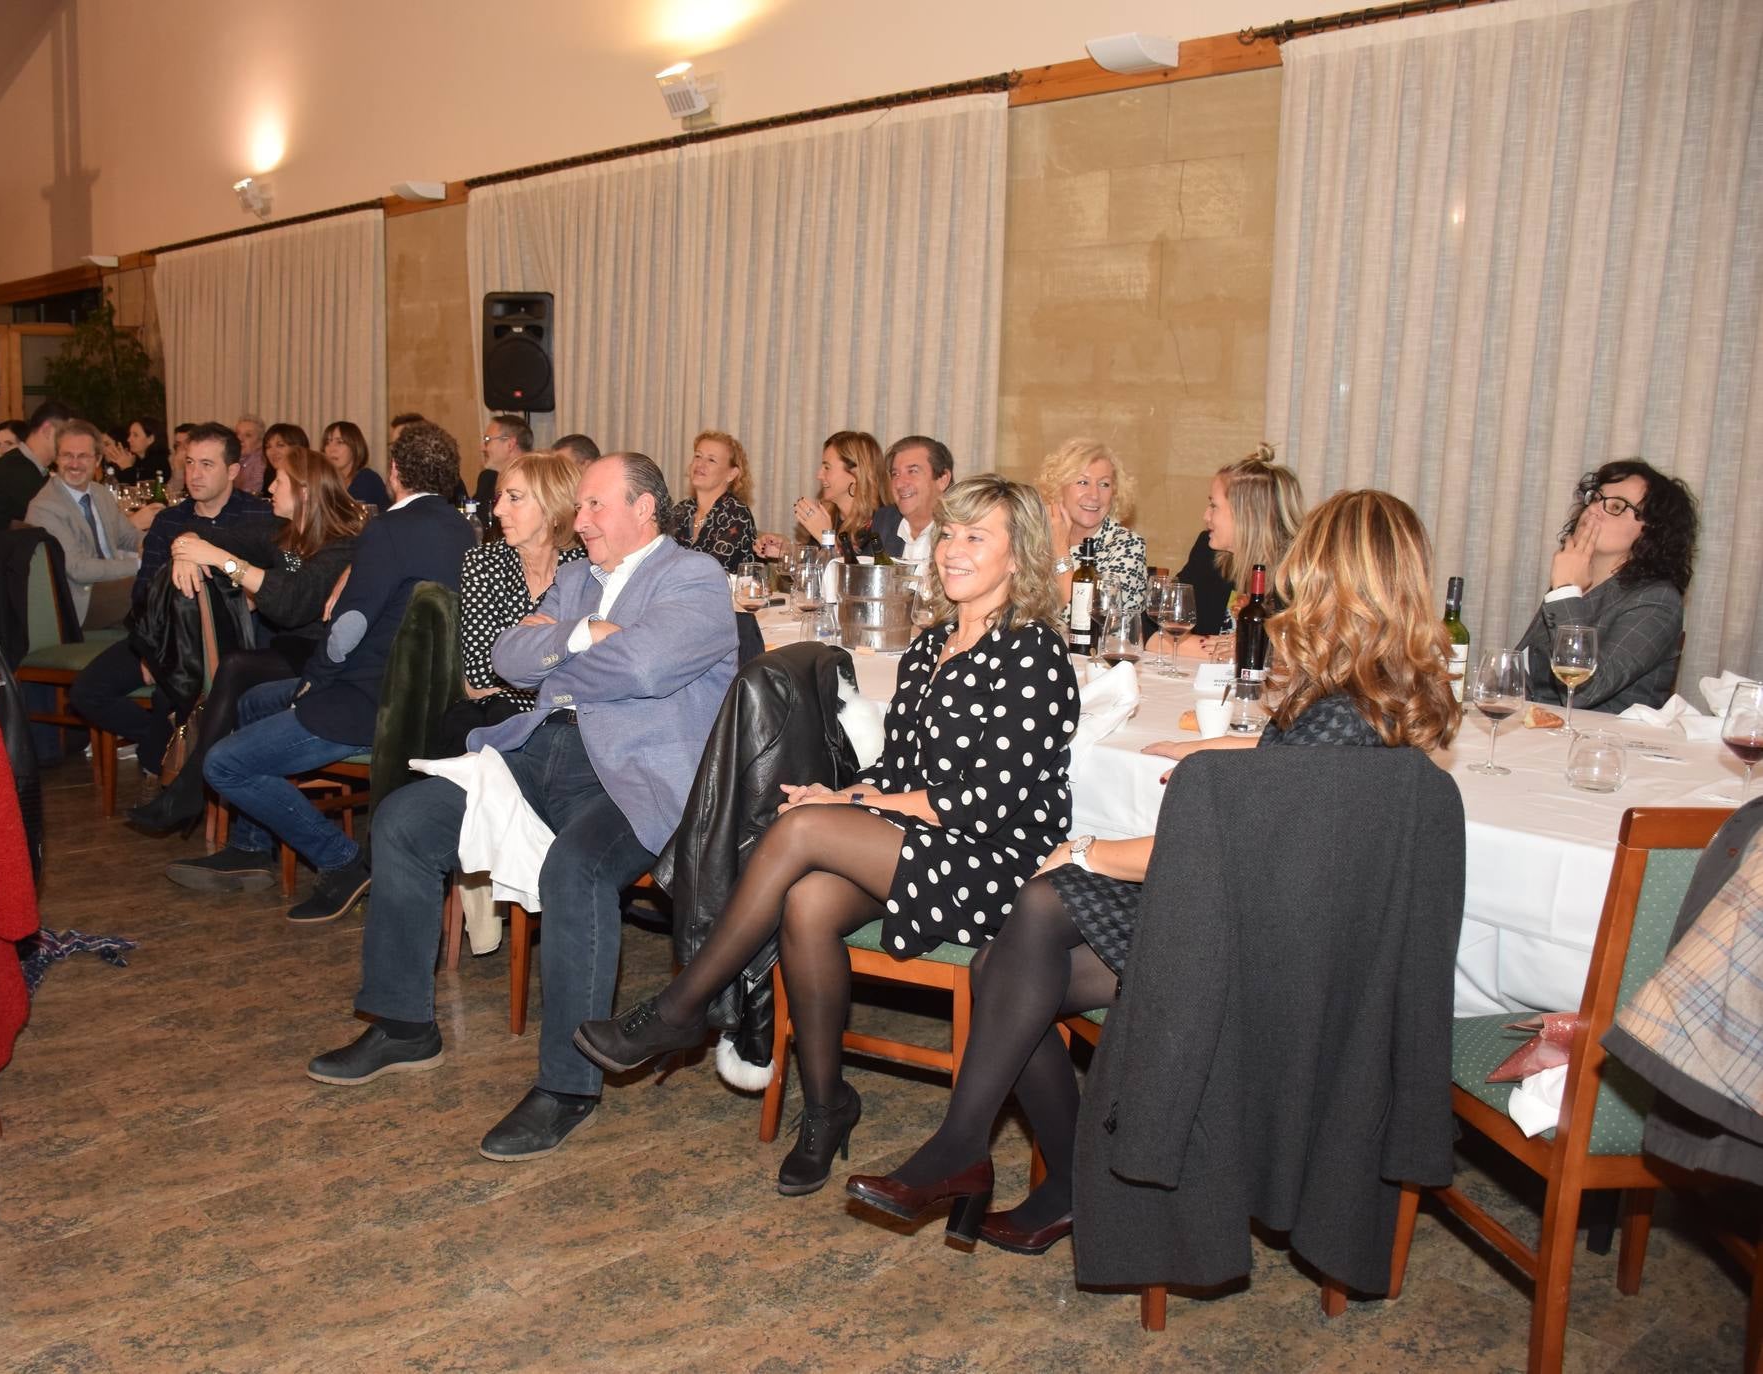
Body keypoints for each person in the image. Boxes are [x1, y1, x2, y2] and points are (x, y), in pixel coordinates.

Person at [843, 488, 1461, 1253]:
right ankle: (1027, 1172)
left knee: (1034, 917)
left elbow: (1227, 835)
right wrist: (1217, 750)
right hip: (1306, 931)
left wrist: (1086, 851)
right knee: (1012, 966)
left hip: (1257, 946)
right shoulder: (1377, 689)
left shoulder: (1335, 697)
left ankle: (973, 1155)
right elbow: (1306, 769)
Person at [576, 475, 1080, 1193]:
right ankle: (826, 1105)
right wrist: (844, 795)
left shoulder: (1032, 655)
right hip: (930, 842)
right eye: (950, 534)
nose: (953, 550)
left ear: (1018, 555)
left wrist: (850, 814)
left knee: (806, 832)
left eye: (976, 537)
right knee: (809, 898)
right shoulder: (933, 641)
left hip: (997, 865)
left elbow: (991, 801)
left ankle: (681, 1007)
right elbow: (899, 766)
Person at [306, 452, 740, 1164]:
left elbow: (644, 667)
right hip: (538, 749)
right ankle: (402, 1024)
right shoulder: (577, 579)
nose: (581, 519)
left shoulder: (691, 578)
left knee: (575, 871)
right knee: (404, 823)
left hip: (632, 775)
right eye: (581, 507)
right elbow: (509, 659)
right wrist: (579, 635)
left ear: (644, 510)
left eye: (597, 506)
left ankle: (569, 1085)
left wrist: (562, 649)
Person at [170, 420, 472, 921]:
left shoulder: (389, 529)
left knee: (223, 764)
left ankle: (343, 859)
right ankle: (250, 849)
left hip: (365, 702)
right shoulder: (464, 530)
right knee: (252, 700)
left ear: (395, 471)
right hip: (422, 699)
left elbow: (349, 626)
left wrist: (315, 680)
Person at [125, 447, 369, 837]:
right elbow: (205, 532)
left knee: (237, 666)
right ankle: (199, 790)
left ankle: (192, 786)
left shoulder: (341, 544)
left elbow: (291, 605)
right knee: (236, 670)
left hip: (326, 660)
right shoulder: (281, 532)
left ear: (304, 491)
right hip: (289, 650)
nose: (269, 487)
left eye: (280, 480)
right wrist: (189, 550)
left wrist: (223, 561)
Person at [69, 423, 273, 781]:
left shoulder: (258, 518)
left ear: (233, 471)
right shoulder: (169, 520)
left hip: (228, 645)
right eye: (190, 462)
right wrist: (152, 651)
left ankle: (168, 759)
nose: (194, 474)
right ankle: (159, 740)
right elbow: (144, 592)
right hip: (163, 636)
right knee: (87, 691)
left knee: (176, 692)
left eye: (207, 465)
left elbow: (281, 581)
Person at [1517, 458, 1696, 713]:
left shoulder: (1657, 600)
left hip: (1607, 746)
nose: (1593, 509)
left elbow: (1583, 691)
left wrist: (1566, 589)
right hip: (1542, 734)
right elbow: (1529, 671)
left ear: (1652, 530)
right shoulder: (1574, 580)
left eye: (1615, 506)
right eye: (1595, 497)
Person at [445, 450, 584, 747]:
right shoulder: (482, 562)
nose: (498, 511)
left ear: (551, 504)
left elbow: (590, 671)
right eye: (499, 498)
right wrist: (554, 643)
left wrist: (523, 651)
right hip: (501, 720)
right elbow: (483, 673)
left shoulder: (584, 568)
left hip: (565, 725)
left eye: (514, 498)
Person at [1153, 447, 1303, 658]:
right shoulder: (1207, 553)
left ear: (1246, 515)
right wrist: (1227, 651)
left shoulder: (1298, 571)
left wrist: (1252, 651)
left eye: (1214, 506)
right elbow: (1154, 626)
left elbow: (1301, 652)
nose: (1206, 515)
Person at [23, 420, 148, 623]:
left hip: (113, 584)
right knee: (155, 587)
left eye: (83, 456)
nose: (74, 464)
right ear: (56, 458)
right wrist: (142, 564)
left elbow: (127, 536)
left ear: (97, 460)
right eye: (67, 455)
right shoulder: (45, 507)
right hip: (79, 601)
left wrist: (155, 544)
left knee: (169, 582)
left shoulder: (100, 493)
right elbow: (78, 569)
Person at [1038, 437, 1146, 613]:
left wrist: (1060, 550)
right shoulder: (1035, 538)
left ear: (1115, 493)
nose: (1094, 495)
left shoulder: (1127, 546)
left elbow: (1085, 621)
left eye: (1104, 484)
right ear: (1058, 488)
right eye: (1083, 482)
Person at [756, 430, 889, 560]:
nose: (819, 475)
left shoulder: (882, 524)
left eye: (827, 468)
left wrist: (825, 537)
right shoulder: (830, 515)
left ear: (855, 474)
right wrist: (788, 551)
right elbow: (817, 572)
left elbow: (857, 578)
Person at [0, 399, 73, 535]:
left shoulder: (31, 467)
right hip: (11, 551)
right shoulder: (13, 468)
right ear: (48, 430)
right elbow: (56, 518)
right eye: (69, 435)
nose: (73, 443)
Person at [666, 430, 757, 571]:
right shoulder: (682, 509)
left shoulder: (736, 514)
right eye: (698, 456)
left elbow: (709, 571)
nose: (700, 464)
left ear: (731, 474)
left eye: (711, 460)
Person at [874, 435, 954, 567]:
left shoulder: (959, 530)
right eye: (895, 474)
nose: (899, 484)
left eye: (912, 471)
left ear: (942, 480)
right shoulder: (884, 522)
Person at [322, 420, 391, 508]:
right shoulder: (325, 482)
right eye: (327, 443)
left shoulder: (367, 480)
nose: (331, 449)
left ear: (354, 446)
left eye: (339, 442)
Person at [473, 413, 533, 513]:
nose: (482, 448)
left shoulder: (535, 482)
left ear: (510, 444)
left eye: (487, 440)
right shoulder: (487, 478)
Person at [122, 415, 170, 484]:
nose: (129, 440)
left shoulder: (159, 464)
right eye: (130, 434)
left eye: (135, 435)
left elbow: (144, 490)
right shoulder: (136, 460)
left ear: (150, 439)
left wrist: (127, 468)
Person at [233, 412, 268, 496]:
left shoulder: (261, 462)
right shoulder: (233, 458)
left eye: (248, 435)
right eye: (237, 434)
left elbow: (251, 494)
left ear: (260, 442)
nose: (239, 439)